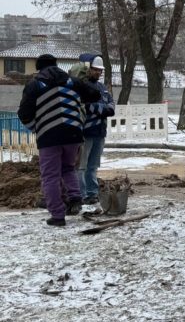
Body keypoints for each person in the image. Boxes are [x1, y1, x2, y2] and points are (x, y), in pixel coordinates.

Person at [17, 53, 101, 226]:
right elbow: (95, 95)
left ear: (39, 68)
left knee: (50, 176)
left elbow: (24, 114)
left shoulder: (35, 85)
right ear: (56, 65)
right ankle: (75, 198)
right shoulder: (72, 82)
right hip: (73, 134)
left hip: (49, 137)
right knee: (68, 168)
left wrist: (37, 127)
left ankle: (57, 215)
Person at [79, 55, 116, 205]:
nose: (98, 73)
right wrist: (102, 109)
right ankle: (81, 195)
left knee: (93, 165)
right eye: (96, 70)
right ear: (88, 68)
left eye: (100, 71)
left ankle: (92, 193)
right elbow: (85, 106)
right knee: (81, 166)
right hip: (86, 132)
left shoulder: (102, 88)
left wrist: (103, 109)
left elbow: (112, 105)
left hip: (100, 132)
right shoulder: (82, 86)